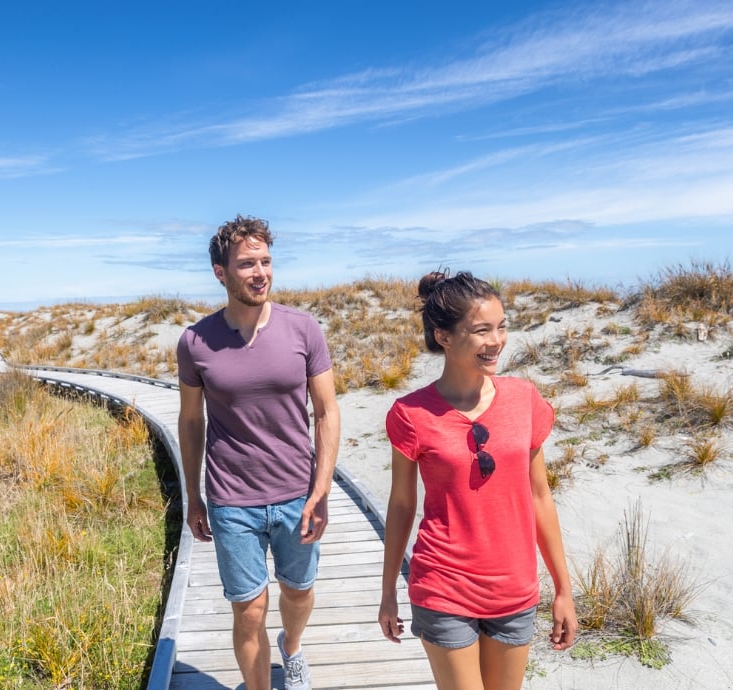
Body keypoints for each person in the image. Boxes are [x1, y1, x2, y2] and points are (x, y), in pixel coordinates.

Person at [378, 270, 577, 690]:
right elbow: (401, 506)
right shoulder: (410, 414)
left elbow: (540, 496)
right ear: (444, 337)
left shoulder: (524, 400)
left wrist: (563, 589)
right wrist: (388, 591)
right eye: (481, 330)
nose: (497, 341)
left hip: (514, 587)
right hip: (443, 585)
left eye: (501, 326)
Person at [177, 214, 340, 690]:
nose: (260, 272)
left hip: (297, 493)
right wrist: (194, 496)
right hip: (231, 499)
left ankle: (292, 647)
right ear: (220, 272)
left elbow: (327, 412)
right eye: (247, 263)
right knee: (248, 610)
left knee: (298, 591)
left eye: (266, 261)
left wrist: (323, 488)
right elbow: (191, 421)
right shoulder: (195, 342)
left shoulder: (303, 329)